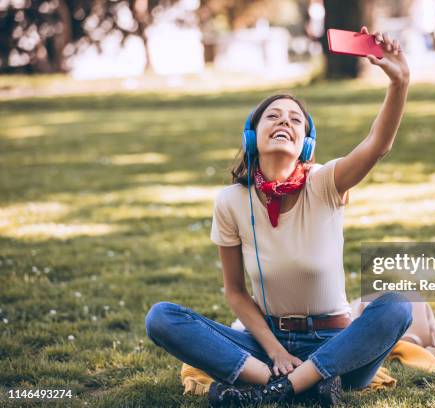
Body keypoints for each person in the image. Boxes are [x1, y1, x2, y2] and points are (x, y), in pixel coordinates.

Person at [145, 26, 412, 407]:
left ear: (307, 143)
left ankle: (281, 387)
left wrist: (399, 83)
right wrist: (275, 353)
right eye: (273, 116)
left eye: (294, 119)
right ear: (252, 136)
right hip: (265, 344)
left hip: (336, 346)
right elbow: (235, 293)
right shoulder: (231, 201)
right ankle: (289, 381)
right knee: (162, 318)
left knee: (398, 306)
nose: (284, 121)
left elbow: (377, 145)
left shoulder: (325, 183)